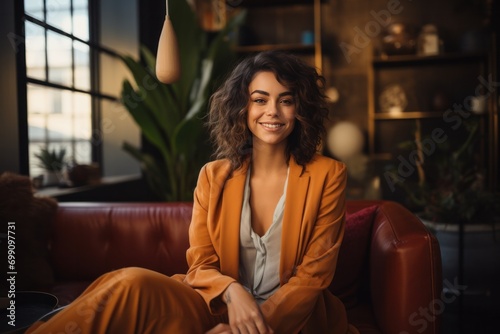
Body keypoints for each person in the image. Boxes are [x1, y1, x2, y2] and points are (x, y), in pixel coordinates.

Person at [27, 51, 357, 334]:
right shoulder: (213, 177)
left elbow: (313, 276)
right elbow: (200, 264)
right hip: (215, 305)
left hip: (287, 321)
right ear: (242, 107)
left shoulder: (328, 175)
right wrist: (232, 292)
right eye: (260, 99)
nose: (272, 111)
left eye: (286, 100)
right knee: (130, 282)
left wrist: (250, 328)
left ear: (300, 111)